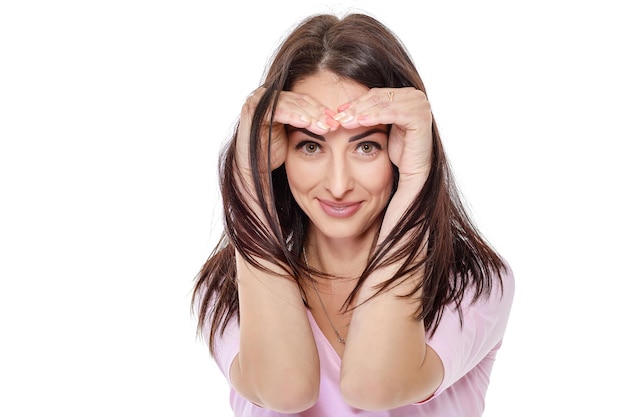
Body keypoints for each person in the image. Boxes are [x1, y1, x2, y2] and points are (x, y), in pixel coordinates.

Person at [192, 11, 514, 417]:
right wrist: (247, 181)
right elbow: (285, 390)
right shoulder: (228, 290)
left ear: (400, 148)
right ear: (279, 153)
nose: (339, 184)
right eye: (311, 146)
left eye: (366, 147)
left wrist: (418, 179)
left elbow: (374, 387)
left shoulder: (472, 282)